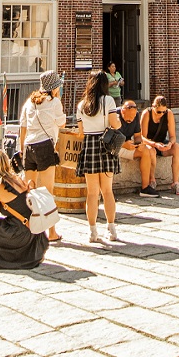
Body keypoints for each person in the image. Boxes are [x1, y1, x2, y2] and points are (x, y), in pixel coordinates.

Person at [75, 68, 123, 243]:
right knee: (107, 191)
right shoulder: (108, 101)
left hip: (89, 146)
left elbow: (81, 132)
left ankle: (92, 231)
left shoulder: (82, 105)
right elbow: (114, 124)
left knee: (92, 193)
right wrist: (118, 120)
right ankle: (111, 229)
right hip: (105, 144)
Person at [18, 73, 65, 242]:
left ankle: (27, 228)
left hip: (29, 147)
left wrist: (22, 148)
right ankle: (51, 232)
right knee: (47, 192)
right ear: (54, 87)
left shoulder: (29, 102)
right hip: (45, 146)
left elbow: (23, 126)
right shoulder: (54, 102)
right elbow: (62, 123)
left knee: (29, 191)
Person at [142, 95, 179, 195]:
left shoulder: (169, 114)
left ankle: (175, 183)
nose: (161, 114)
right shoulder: (146, 114)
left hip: (162, 143)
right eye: (158, 112)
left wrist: (170, 144)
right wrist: (154, 144)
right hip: (149, 143)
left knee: (177, 148)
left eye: (163, 112)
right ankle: (152, 181)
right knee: (151, 150)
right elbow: (142, 137)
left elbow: (173, 136)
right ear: (153, 107)